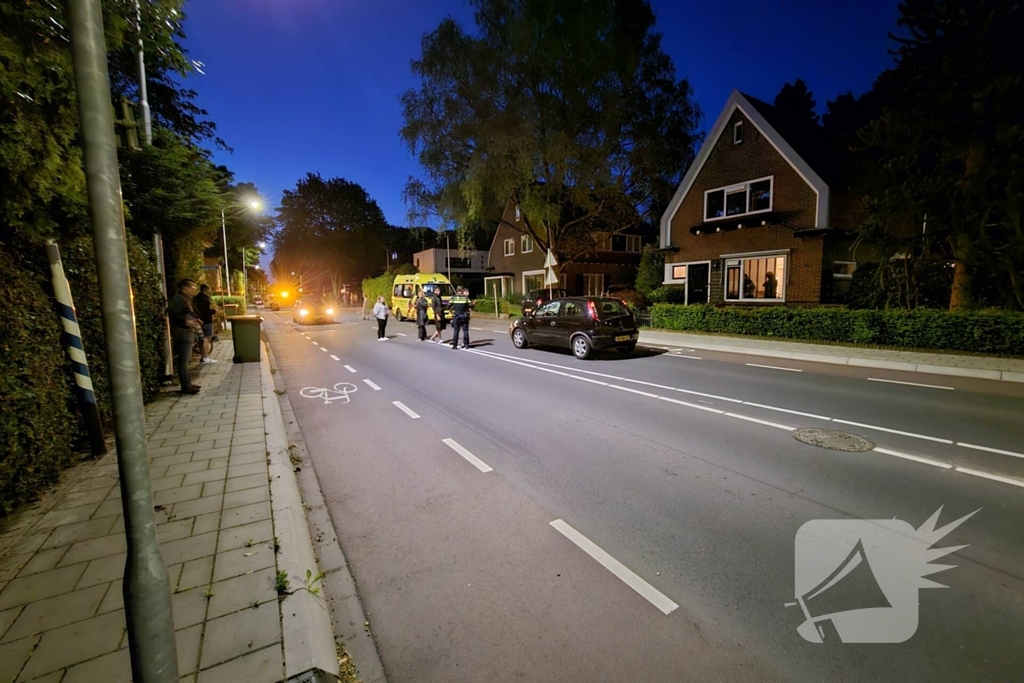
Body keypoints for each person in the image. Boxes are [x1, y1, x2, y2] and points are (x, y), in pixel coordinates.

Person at [167, 279, 203, 395]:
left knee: (185, 359)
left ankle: (187, 383)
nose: (195, 289)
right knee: (183, 359)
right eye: (193, 287)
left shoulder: (186, 299)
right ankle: (185, 386)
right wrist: (186, 322)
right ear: (185, 287)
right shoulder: (178, 299)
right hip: (182, 331)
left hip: (187, 330)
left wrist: (195, 319)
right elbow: (174, 313)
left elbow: (190, 313)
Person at [193, 284, 218, 363]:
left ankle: (202, 356)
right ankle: (205, 357)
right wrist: (214, 311)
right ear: (206, 289)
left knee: (201, 339)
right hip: (206, 321)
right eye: (209, 289)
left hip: (198, 321)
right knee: (207, 339)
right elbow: (206, 311)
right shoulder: (205, 299)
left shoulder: (195, 298)